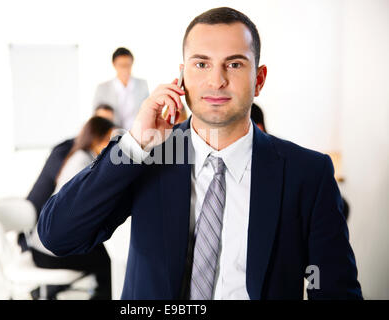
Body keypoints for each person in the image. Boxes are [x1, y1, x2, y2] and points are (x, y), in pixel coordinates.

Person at [38, 7, 362, 300]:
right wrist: (135, 143)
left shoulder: (307, 173)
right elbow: (58, 235)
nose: (216, 81)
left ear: (258, 80)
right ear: (181, 77)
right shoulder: (149, 158)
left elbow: (333, 289)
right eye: (201, 63)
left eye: (234, 64)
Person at [24, 116, 115, 300]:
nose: (111, 145)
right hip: (48, 252)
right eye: (108, 139)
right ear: (96, 138)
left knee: (99, 251)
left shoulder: (79, 155)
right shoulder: (85, 162)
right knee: (105, 261)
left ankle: (53, 290)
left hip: (39, 247)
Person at [92, 47, 149, 130]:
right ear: (114, 65)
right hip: (111, 134)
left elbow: (147, 110)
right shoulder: (102, 88)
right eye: (121, 65)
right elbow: (96, 117)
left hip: (137, 133)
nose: (125, 69)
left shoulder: (142, 84)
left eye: (128, 65)